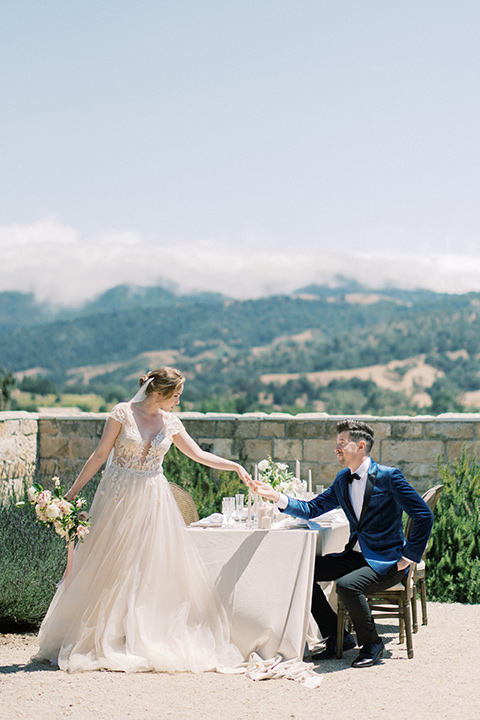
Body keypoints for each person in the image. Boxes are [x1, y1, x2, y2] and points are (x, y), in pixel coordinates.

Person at [34, 367, 252, 673]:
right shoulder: (122, 413)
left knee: (147, 566)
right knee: (112, 565)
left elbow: (199, 454)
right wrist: (69, 496)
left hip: (154, 499)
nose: (178, 401)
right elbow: (99, 456)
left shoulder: (171, 422)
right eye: (176, 395)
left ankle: (137, 634)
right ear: (159, 393)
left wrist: (234, 466)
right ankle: (105, 634)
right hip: (118, 498)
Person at [252, 419, 433, 668]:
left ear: (360, 446)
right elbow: (312, 508)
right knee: (305, 571)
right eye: (336, 443)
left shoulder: (389, 477)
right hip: (357, 556)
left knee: (347, 586)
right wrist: (277, 497)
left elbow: (423, 515)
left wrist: (409, 556)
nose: (336, 448)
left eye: (341, 443)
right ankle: (337, 637)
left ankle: (372, 644)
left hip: (387, 561)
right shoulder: (342, 480)